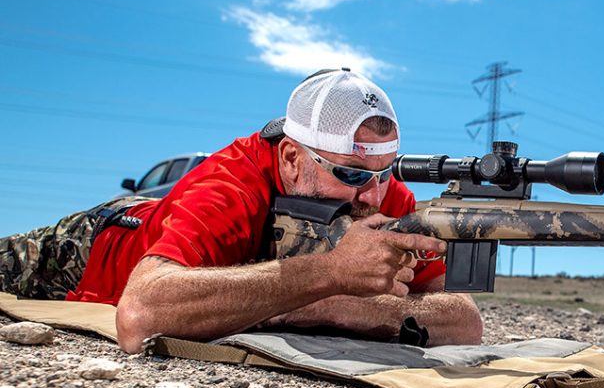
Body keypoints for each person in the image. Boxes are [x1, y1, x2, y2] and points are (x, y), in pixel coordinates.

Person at [0, 69, 483, 353]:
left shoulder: (377, 187)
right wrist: (328, 275)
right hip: (100, 243)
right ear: (293, 158)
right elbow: (142, 313)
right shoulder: (229, 182)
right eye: (352, 175)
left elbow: (464, 322)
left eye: (383, 173)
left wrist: (337, 305)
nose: (374, 197)